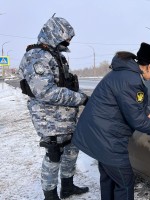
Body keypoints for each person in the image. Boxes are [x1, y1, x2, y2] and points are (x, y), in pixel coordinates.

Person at [72, 42, 150, 200]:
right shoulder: (131, 80)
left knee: (109, 178)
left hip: (98, 136)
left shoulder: (125, 74)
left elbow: (130, 105)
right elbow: (137, 120)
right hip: (108, 140)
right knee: (125, 183)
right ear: (149, 66)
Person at [18, 16, 89, 200]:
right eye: (67, 37)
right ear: (55, 33)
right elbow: (46, 92)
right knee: (54, 153)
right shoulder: (36, 57)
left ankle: (67, 186)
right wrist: (80, 98)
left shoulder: (56, 55)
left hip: (65, 115)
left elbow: (65, 84)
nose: (69, 41)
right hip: (48, 117)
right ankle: (50, 195)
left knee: (72, 148)